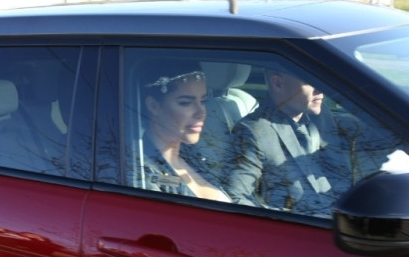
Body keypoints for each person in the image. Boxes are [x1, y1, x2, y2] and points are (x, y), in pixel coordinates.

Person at [225, 69, 348, 214]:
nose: (320, 89)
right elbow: (237, 199)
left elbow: (342, 170)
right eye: (310, 81)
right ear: (278, 84)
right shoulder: (253, 132)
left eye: (320, 80)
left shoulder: (322, 116)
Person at [136, 60, 230, 202]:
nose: (201, 112)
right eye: (186, 103)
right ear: (153, 106)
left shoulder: (197, 155)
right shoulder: (141, 174)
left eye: (203, 101)